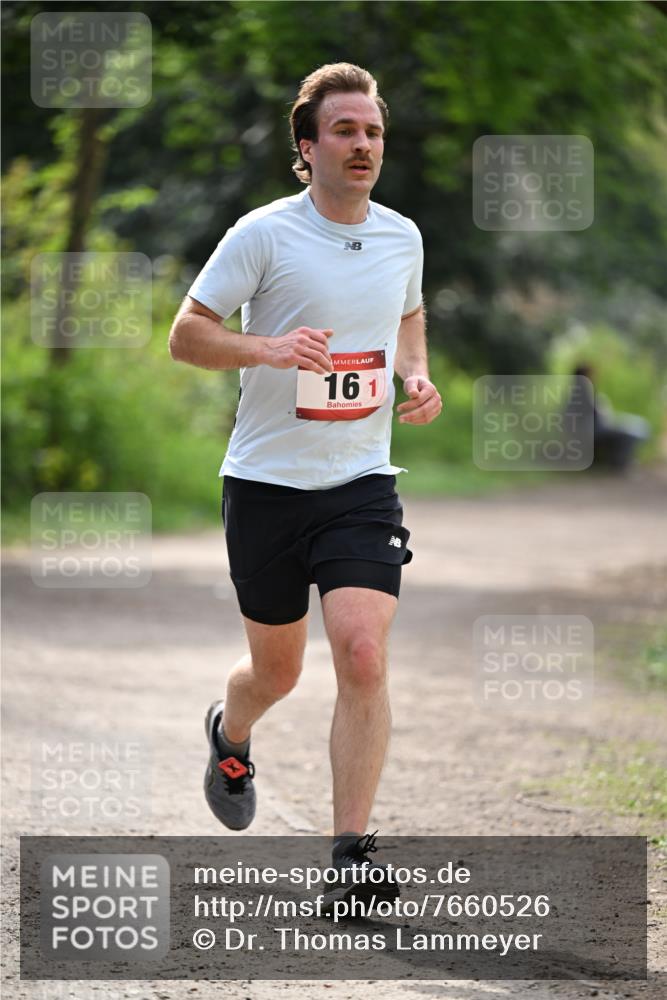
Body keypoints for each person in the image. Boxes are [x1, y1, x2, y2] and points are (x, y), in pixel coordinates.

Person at [169, 62, 442, 904]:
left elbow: (406, 310)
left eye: (372, 132)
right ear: (306, 146)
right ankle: (232, 728)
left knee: (362, 654)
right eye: (344, 131)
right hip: (265, 484)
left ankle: (351, 858)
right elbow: (186, 335)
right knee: (275, 673)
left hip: (360, 479)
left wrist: (414, 372)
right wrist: (268, 349)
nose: (362, 145)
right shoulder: (264, 234)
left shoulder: (402, 235)